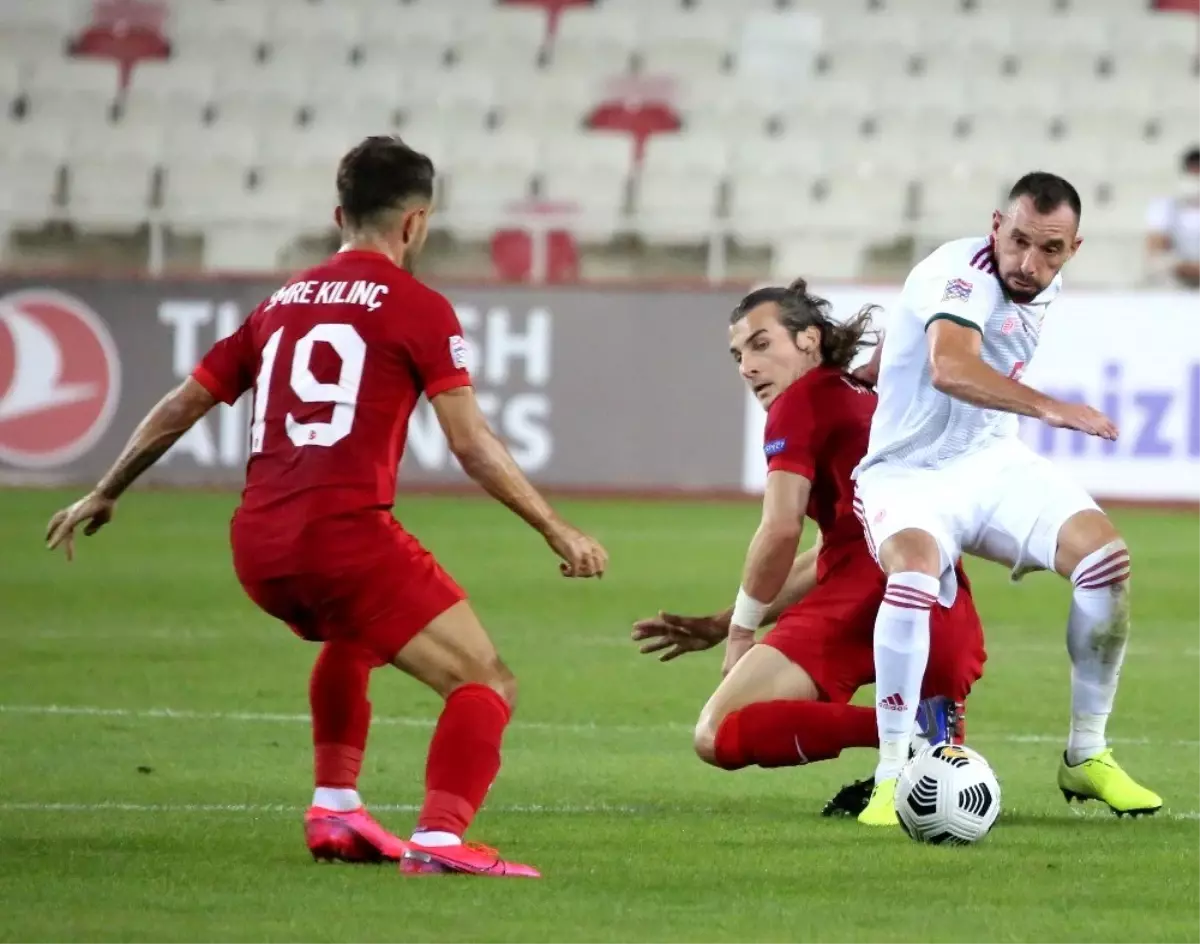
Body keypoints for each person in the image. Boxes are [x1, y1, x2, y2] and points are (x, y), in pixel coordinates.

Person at [44, 135, 608, 878]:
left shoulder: (279, 304)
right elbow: (470, 444)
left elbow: (185, 404)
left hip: (258, 545)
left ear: (337, 214)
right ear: (415, 224)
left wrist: (108, 487)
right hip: (343, 538)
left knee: (356, 638)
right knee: (485, 680)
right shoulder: (419, 306)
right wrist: (555, 528)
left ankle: (336, 808)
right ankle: (441, 841)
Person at [851, 171, 1162, 826]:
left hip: (990, 463)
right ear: (996, 226)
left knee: (1106, 560)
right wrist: (1051, 408)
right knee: (910, 574)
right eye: (1018, 240)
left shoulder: (1042, 278)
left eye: (1050, 249)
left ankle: (1086, 754)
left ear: (1073, 248)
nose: (1029, 262)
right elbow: (950, 365)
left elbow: (918, 336)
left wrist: (877, 365)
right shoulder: (962, 272)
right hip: (906, 474)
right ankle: (889, 777)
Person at [631, 279, 987, 819]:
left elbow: (780, 528)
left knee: (717, 733)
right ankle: (925, 732)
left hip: (866, 593)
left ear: (808, 340)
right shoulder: (861, 396)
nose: (746, 367)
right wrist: (723, 620)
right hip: (938, 601)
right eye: (737, 355)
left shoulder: (801, 403)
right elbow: (832, 554)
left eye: (760, 344)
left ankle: (902, 733)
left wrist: (742, 633)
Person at [1145, 146, 1200, 289]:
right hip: (1176, 277)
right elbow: (1155, 247)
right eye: (1193, 174)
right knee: (1158, 263)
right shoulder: (1165, 206)